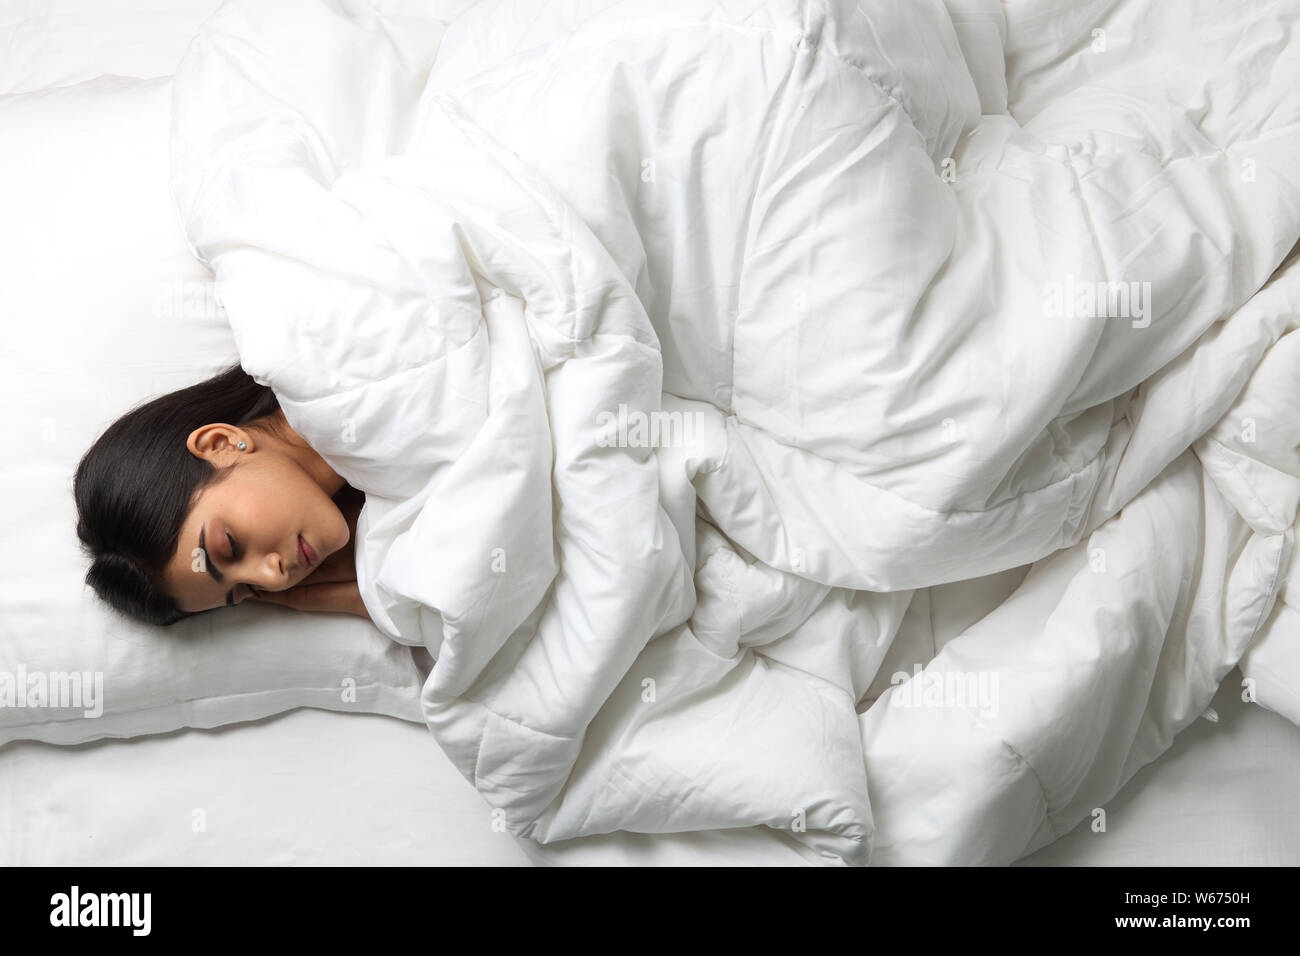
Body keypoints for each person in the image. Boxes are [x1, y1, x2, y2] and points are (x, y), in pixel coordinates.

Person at [74, 363, 372, 626]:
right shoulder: (387, 519)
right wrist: (370, 600)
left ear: (220, 445)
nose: (275, 578)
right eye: (250, 589)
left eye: (231, 546)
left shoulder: (333, 348)